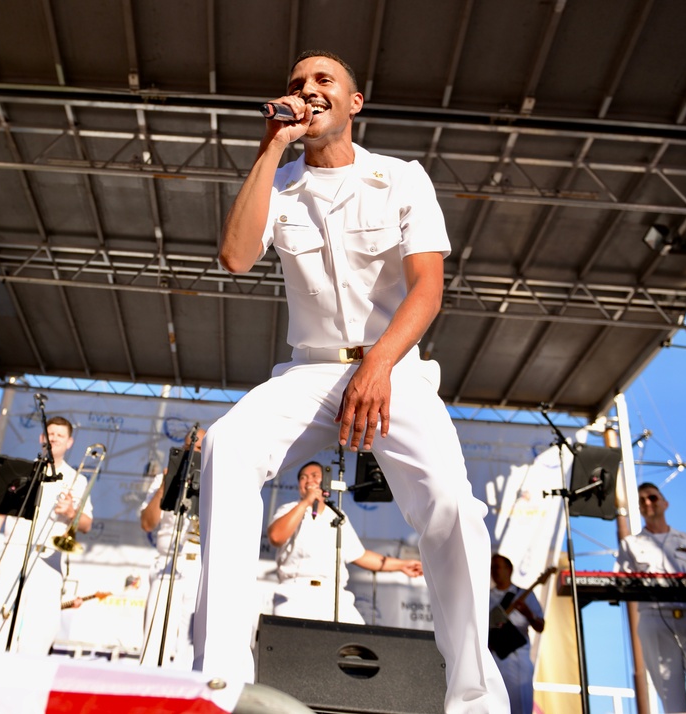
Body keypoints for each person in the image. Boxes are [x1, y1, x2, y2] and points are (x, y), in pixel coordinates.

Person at [193, 49, 509, 712]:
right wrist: (269, 150)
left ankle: (475, 699)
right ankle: (216, 681)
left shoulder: (401, 178)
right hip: (308, 371)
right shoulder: (278, 185)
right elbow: (235, 257)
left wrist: (379, 365)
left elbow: (428, 289)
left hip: (394, 366)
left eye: (322, 81)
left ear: (354, 103)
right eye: (296, 84)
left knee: (452, 505)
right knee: (227, 445)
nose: (306, 91)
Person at [0, 416, 93, 655]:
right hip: (14, 549)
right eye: (50, 434)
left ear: (69, 442)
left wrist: (71, 512)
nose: (54, 438)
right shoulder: (16, 470)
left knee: (40, 628)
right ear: (42, 438)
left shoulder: (77, 479)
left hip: (49, 557)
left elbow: (86, 524)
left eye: (60, 435)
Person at [267, 460, 423, 623]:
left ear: (326, 482)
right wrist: (306, 502)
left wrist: (402, 565)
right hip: (295, 592)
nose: (309, 481)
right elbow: (276, 537)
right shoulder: (288, 509)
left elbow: (360, 556)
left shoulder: (337, 516)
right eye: (303, 478)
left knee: (356, 641)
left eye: (315, 476)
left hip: (333, 594)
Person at [616, 482, 686, 713]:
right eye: (642, 500)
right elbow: (620, 581)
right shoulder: (631, 543)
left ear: (665, 502)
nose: (647, 503)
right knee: (671, 699)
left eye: (652, 497)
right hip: (654, 620)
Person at [138, 428, 205, 669]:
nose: (196, 452)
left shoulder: (216, 480)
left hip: (200, 567)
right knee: (156, 636)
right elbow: (147, 523)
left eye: (200, 448)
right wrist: (164, 486)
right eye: (192, 447)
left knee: (191, 642)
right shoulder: (163, 479)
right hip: (169, 561)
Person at [488, 554, 545, 714]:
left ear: (509, 569)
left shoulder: (523, 595)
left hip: (517, 658)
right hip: (493, 657)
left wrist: (528, 613)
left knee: (519, 706)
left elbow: (540, 626)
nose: (494, 571)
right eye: (492, 568)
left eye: (497, 567)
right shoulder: (486, 596)